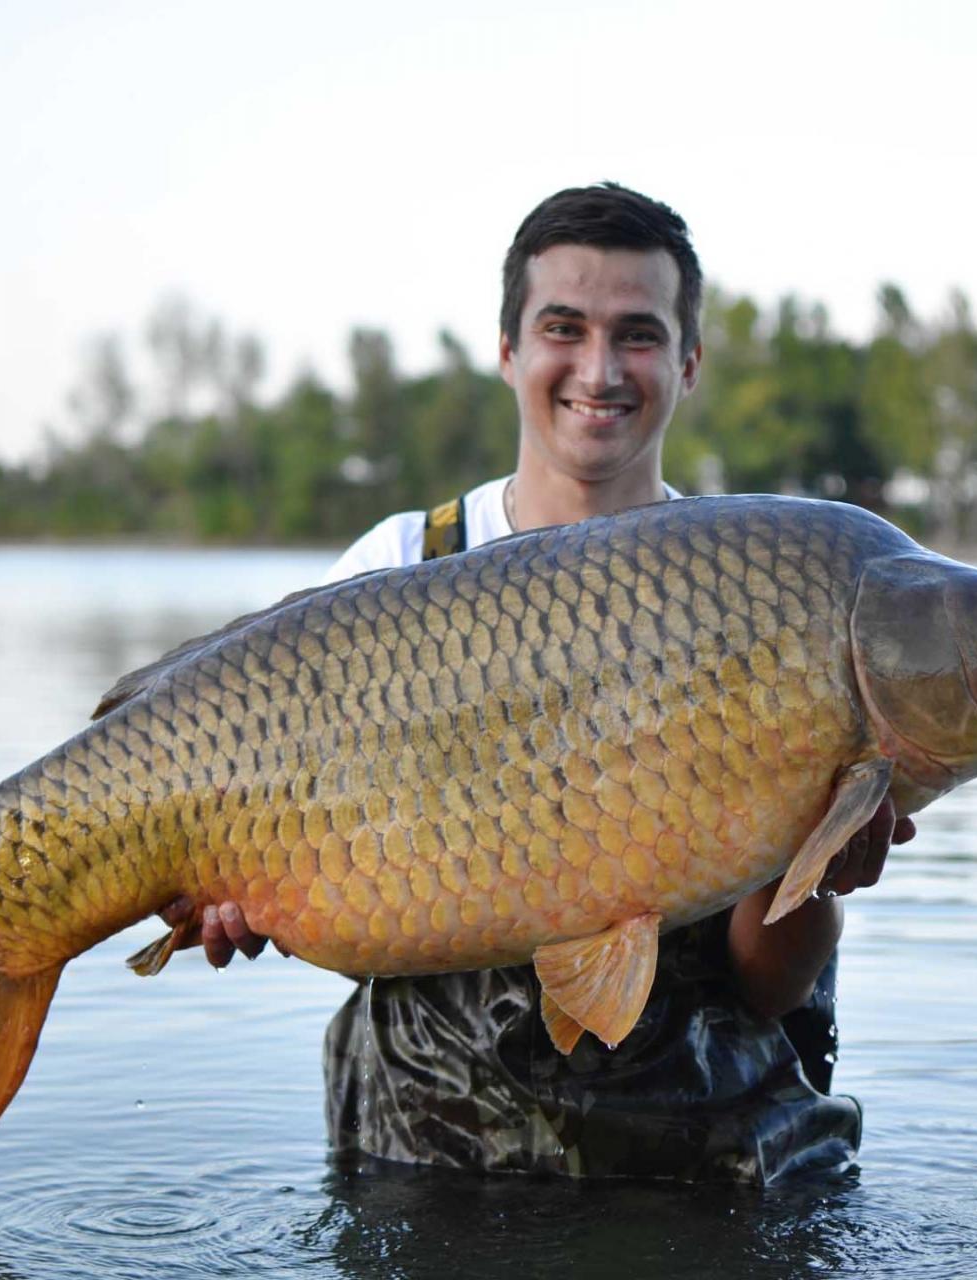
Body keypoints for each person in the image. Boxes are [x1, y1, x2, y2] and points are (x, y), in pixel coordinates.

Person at [162, 182, 914, 1182]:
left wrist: (816, 872)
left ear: (688, 362)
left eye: (638, 334)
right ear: (508, 349)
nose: (599, 369)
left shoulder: (761, 585)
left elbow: (768, 992)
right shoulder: (393, 566)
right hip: (427, 1158)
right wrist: (231, 895)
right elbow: (321, 889)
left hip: (700, 1163)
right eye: (564, 328)